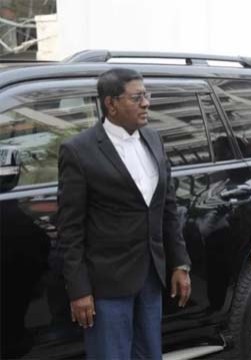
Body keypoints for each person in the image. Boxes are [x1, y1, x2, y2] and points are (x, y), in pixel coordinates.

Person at [57, 68, 192, 360]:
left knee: (149, 355)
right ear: (111, 104)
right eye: (137, 97)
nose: (146, 103)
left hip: (150, 278)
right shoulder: (79, 150)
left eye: (147, 95)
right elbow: (70, 229)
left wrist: (179, 263)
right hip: (106, 285)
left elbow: (166, 207)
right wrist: (79, 290)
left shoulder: (154, 139)